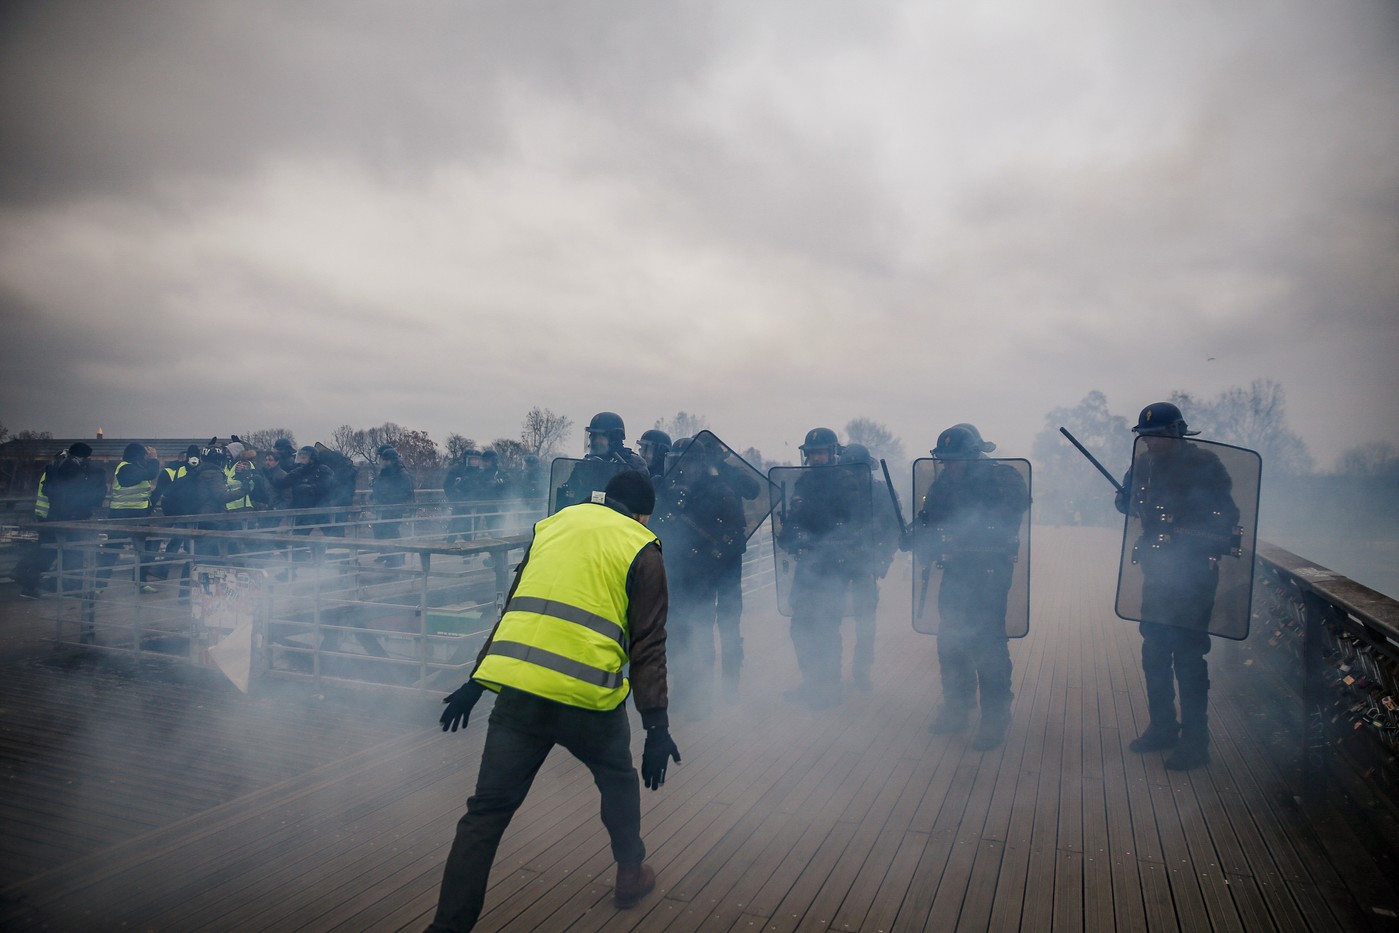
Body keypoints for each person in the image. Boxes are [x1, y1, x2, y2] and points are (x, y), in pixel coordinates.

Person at [426, 470, 679, 931]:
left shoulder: (553, 524)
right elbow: (648, 643)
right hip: (586, 697)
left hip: (520, 693)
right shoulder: (643, 546)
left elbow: (516, 606)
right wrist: (656, 724)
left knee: (484, 815)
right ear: (643, 513)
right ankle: (629, 873)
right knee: (617, 780)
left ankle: (446, 928)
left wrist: (476, 681)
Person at [1114, 401, 1238, 770]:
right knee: (1154, 651)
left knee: (1187, 656)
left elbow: (1227, 516)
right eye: (1145, 436)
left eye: (1157, 436)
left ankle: (1196, 742)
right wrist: (1126, 499)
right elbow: (1125, 502)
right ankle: (1162, 728)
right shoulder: (1144, 464)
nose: (1151, 443)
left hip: (1195, 574)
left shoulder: (1205, 465)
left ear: (1177, 432)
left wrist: (1187, 521)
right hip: (1158, 571)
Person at [915, 425, 1029, 750]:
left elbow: (1011, 512)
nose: (950, 466)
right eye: (946, 460)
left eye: (956, 460)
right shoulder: (944, 484)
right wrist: (915, 535)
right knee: (950, 642)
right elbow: (929, 519)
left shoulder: (1003, 479)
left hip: (990, 572)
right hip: (956, 571)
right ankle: (957, 707)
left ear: (973, 454)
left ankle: (995, 718)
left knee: (988, 645)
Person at [656, 434, 753, 717]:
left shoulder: (720, 490)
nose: (682, 468)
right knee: (681, 631)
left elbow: (735, 535)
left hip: (712, 574)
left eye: (687, 462)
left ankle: (709, 695)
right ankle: (686, 691)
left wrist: (712, 556)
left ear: (700, 464)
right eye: (676, 462)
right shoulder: (669, 491)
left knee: (707, 629)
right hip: (678, 572)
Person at [778, 427, 864, 711]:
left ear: (833, 453)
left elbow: (854, 526)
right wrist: (787, 533)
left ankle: (830, 688)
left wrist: (833, 543)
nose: (815, 458)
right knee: (800, 627)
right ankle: (811, 682)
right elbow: (797, 517)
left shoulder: (847, 483)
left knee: (827, 627)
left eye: (820, 453)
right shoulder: (803, 483)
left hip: (834, 566)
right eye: (811, 453)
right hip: (808, 565)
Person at [839, 443, 902, 692]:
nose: (854, 474)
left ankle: (861, 672)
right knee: (831, 616)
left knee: (865, 622)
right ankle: (829, 672)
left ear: (868, 470)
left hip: (866, 564)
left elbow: (894, 528)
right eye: (850, 469)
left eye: (858, 469)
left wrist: (882, 558)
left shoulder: (882, 494)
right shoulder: (836, 493)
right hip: (837, 563)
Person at [16, 444, 107, 598]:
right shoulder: (74, 469)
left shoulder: (56, 467)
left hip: (55, 516)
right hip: (73, 517)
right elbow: (83, 492)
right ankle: (67, 586)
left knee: (51, 551)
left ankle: (29, 580)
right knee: (73, 553)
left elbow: (51, 490)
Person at [97, 442, 163, 593]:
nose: (146, 457)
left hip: (139, 515)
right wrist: (154, 459)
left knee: (142, 551)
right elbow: (149, 474)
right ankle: (98, 585)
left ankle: (140, 583)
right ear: (138, 456)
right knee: (112, 551)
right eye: (144, 455)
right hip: (121, 516)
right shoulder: (125, 467)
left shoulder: (137, 468)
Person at [371, 444, 415, 567]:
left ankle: (397, 558)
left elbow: (405, 492)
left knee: (391, 531)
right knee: (380, 530)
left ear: (393, 460)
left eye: (387, 460)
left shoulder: (402, 474)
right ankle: (389, 555)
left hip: (395, 508)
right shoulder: (384, 473)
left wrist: (387, 496)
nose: (385, 462)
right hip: (384, 508)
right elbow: (380, 488)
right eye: (383, 460)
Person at [584, 411, 648, 473]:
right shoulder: (586, 462)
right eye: (593, 435)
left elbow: (640, 482)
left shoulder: (634, 462)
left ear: (615, 438)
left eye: (601, 436)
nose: (596, 441)